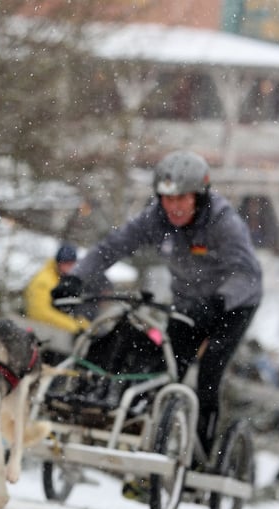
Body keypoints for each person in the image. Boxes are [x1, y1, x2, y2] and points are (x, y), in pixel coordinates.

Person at [51, 149, 263, 462]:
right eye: (167, 198)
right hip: (188, 304)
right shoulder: (156, 218)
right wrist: (77, 278)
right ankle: (162, 444)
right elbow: (113, 247)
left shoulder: (223, 222)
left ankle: (201, 456)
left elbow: (247, 274)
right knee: (167, 370)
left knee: (209, 373)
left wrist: (219, 301)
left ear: (199, 196)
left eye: (182, 199)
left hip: (233, 304)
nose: (174, 207)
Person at [24, 242, 89, 334]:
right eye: (66, 263)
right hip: (39, 331)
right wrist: (72, 326)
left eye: (72, 264)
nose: (69, 268)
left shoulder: (63, 280)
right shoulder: (43, 280)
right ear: (58, 262)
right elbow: (39, 312)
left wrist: (84, 325)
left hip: (54, 330)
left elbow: (69, 311)